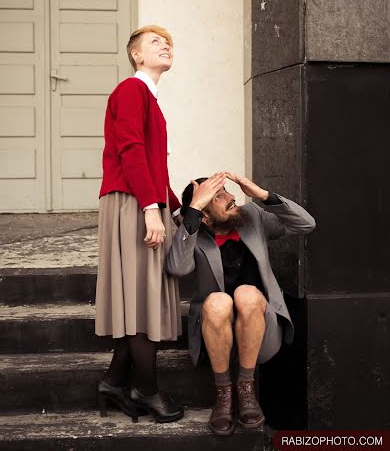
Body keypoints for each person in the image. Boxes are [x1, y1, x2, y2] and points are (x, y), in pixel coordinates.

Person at [165, 172, 316, 435]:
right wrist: (193, 210)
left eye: (226, 191)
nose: (231, 197)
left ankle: (246, 388)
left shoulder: (253, 217)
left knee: (247, 293)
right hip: (214, 334)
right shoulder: (193, 233)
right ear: (205, 216)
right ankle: (224, 393)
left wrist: (262, 194)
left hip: (261, 331)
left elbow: (306, 224)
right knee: (218, 301)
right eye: (219, 196)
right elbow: (178, 267)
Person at [95, 25, 183, 424]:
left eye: (168, 42)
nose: (165, 45)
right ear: (136, 55)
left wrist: (176, 208)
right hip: (133, 202)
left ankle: (114, 382)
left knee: (140, 297)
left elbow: (153, 163)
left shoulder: (149, 97)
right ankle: (145, 390)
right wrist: (151, 207)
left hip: (144, 200)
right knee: (141, 297)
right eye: (154, 42)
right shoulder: (131, 90)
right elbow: (130, 149)